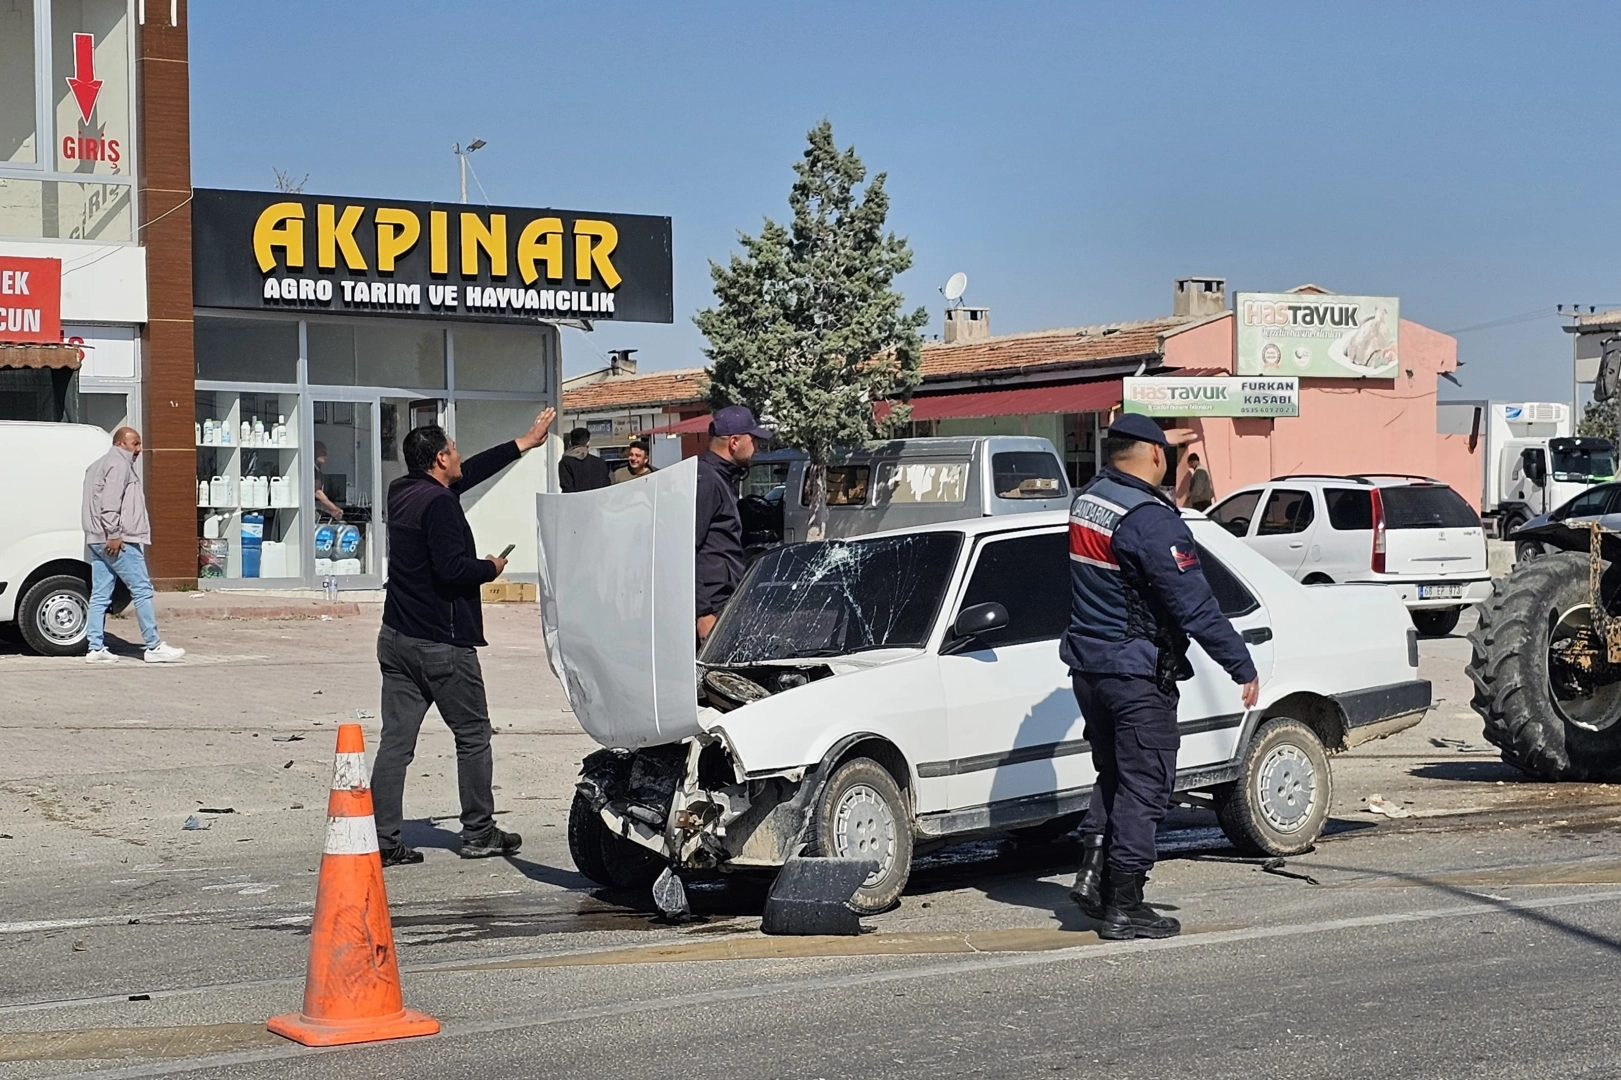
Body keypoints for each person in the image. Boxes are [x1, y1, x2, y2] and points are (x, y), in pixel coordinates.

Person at [1062, 413, 1258, 940]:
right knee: (1146, 786)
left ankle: (1092, 878)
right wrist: (1239, 664)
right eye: (1165, 451)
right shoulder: (1150, 519)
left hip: (1089, 669)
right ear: (1153, 455)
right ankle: (1125, 905)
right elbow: (1195, 605)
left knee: (1114, 775)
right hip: (1135, 674)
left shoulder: (1090, 499)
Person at [371, 406, 556, 866]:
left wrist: (523, 443)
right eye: (453, 450)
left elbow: (467, 473)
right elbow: (452, 570)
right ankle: (479, 831)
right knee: (473, 735)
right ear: (439, 459)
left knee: (396, 742)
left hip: (397, 637)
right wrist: (489, 568)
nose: (459, 456)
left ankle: (382, 838)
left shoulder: (403, 490)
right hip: (442, 644)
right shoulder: (440, 506)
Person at [81, 428, 185, 664]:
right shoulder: (118, 465)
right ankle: (153, 646)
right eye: (135, 444)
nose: (139, 449)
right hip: (118, 540)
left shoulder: (96, 465)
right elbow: (110, 503)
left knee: (100, 594)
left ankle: (95, 647)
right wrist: (114, 533)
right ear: (120, 443)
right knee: (142, 590)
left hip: (96, 539)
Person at [695, 406, 771, 643]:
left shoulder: (721, 477)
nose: (756, 448)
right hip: (711, 607)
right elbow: (684, 550)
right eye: (753, 440)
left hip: (724, 601)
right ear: (734, 442)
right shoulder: (706, 479)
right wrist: (702, 613)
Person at [558, 427, 612, 492]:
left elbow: (567, 490)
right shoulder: (600, 463)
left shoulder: (565, 463)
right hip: (597, 498)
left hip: (577, 498)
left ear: (570, 443)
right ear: (588, 443)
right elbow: (607, 488)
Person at [313, 441, 343, 521]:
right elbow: (318, 493)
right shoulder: (312, 470)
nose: (325, 455)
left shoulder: (318, 471)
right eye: (322, 452)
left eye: (325, 453)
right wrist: (334, 508)